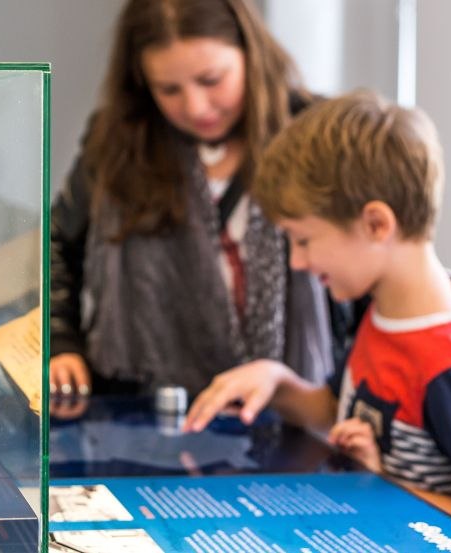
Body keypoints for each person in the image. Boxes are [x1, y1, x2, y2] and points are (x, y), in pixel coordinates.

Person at [184, 91, 451, 546]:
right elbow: (339, 406)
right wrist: (276, 381)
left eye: (304, 240)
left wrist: (384, 488)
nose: (296, 262)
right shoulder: (386, 310)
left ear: (376, 224)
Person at [50, 0, 336, 399]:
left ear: (250, 54)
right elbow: (57, 245)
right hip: (136, 407)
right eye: (169, 89)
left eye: (212, 79)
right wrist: (61, 343)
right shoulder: (115, 141)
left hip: (295, 406)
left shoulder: (319, 132)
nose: (196, 107)